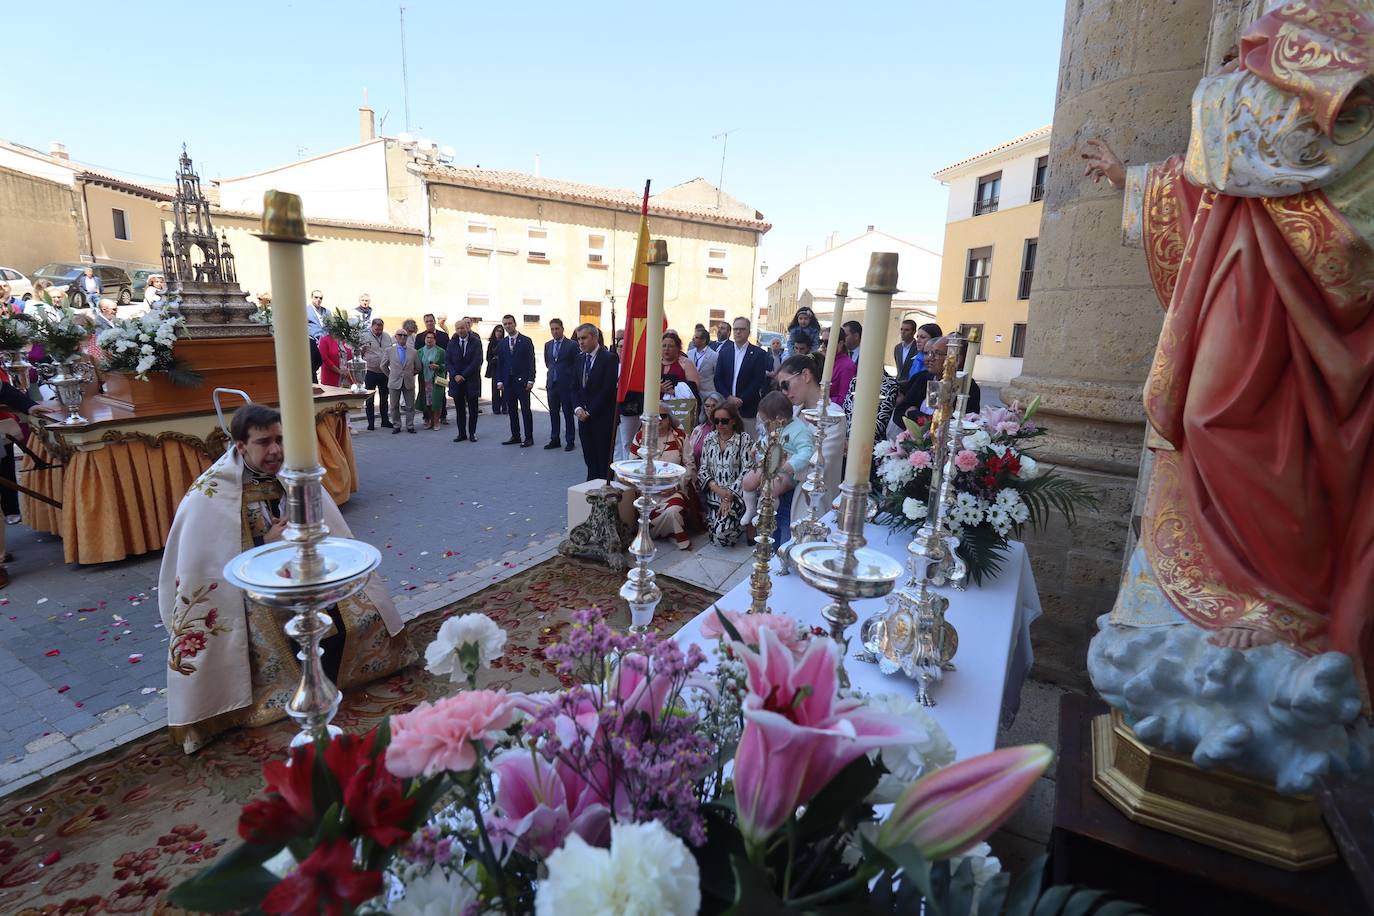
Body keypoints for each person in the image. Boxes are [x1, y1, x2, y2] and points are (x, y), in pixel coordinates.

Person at [1080, 2, 1374, 665]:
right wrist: (1135, 180)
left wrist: (1227, 93)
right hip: (1239, 252)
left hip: (1302, 263)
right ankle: (1252, 585)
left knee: (1252, 420)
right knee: (1210, 411)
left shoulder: (1337, 32)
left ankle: (1286, 598)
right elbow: (1208, 174)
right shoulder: (1267, 38)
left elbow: (1315, 127)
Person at [157, 404, 414, 754]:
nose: (276, 450)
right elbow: (211, 564)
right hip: (249, 596)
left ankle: (331, 679)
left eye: (280, 439)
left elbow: (326, 528)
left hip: (303, 578)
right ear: (240, 446)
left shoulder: (294, 473)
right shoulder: (210, 494)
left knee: (360, 613)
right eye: (264, 442)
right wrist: (264, 543)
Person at [775, 354, 847, 516]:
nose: (784, 393)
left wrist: (784, 463)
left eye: (785, 385)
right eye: (781, 388)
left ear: (806, 375)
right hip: (779, 498)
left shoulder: (834, 415)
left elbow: (818, 467)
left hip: (810, 505)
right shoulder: (792, 412)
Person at [740, 390, 812, 546]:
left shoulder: (800, 430)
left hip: (787, 472)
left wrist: (790, 465)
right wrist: (756, 447)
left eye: (766, 421)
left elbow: (807, 452)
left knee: (770, 488)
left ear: (779, 419)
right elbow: (765, 439)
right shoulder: (776, 427)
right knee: (747, 481)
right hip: (769, 464)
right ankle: (751, 509)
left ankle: (766, 515)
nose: (764, 424)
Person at [619, 404, 692, 551]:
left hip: (673, 489)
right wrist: (647, 486)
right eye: (655, 417)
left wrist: (675, 486)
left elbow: (690, 466)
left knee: (673, 511)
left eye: (663, 416)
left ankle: (665, 531)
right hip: (647, 491)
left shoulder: (680, 436)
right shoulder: (640, 437)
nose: (659, 420)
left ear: (669, 419)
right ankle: (667, 531)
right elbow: (632, 467)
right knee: (645, 514)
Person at [697, 397, 753, 547]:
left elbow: (747, 469)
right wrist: (718, 490)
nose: (720, 425)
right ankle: (736, 524)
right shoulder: (709, 438)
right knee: (716, 537)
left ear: (733, 420)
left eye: (724, 421)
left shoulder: (743, 439)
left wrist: (728, 495)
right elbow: (703, 469)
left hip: (735, 496)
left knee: (722, 535)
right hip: (714, 496)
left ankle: (741, 523)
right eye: (716, 421)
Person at [573, 322, 619, 482]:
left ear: (594, 337)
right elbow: (575, 388)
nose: (580, 342)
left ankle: (604, 494)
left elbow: (607, 390)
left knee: (603, 462)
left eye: (584, 338)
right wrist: (578, 409)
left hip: (601, 419)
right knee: (590, 460)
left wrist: (589, 412)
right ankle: (591, 490)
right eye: (578, 339)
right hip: (583, 420)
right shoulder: (579, 359)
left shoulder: (609, 359)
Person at [712, 316, 770, 427]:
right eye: (736, 329)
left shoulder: (758, 354)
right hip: (726, 408)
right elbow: (718, 379)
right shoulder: (724, 353)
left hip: (748, 409)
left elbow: (757, 380)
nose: (738, 332)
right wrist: (728, 397)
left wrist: (741, 399)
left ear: (749, 331)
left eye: (742, 329)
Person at [497, 314, 536, 446]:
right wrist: (499, 381)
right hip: (508, 382)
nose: (508, 326)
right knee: (512, 410)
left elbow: (531, 362)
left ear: (515, 323)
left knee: (525, 409)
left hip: (523, 382)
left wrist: (531, 380)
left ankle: (529, 437)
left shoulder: (526, 341)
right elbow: (500, 364)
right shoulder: (502, 343)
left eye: (510, 323)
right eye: (505, 324)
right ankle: (515, 436)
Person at [446, 318, 483, 442]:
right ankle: (461, 434)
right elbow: (448, 361)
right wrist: (455, 374)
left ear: (467, 328)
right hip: (456, 382)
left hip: (471, 381)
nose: (460, 330)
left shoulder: (476, 342)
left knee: (473, 409)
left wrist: (464, 375)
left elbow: (477, 361)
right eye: (458, 328)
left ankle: (472, 433)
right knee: (459, 410)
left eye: (462, 328)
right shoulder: (452, 343)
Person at [544, 317, 577, 451]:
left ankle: (570, 440)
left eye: (557, 328)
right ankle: (555, 439)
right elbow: (548, 363)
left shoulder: (572, 345)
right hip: (552, 385)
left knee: (568, 414)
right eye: (552, 329)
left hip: (567, 385)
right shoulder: (548, 345)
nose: (555, 331)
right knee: (553, 413)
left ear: (562, 329)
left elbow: (576, 364)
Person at [382, 327, 419, 434]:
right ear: (396, 337)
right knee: (394, 405)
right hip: (394, 382)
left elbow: (418, 367)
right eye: (400, 335)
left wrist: (411, 374)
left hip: (408, 381)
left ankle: (410, 425)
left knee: (410, 405)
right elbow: (383, 365)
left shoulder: (413, 351)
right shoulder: (389, 351)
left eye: (405, 335)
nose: (402, 337)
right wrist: (390, 375)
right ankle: (396, 425)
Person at [417, 313, 450, 426]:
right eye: (427, 321)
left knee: (441, 393)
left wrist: (442, 367)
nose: (429, 323)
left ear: (434, 321)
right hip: (425, 373)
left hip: (441, 372)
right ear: (424, 322)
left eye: (431, 321)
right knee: (425, 394)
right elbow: (417, 355)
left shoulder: (444, 336)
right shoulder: (419, 336)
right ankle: (427, 418)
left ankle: (443, 416)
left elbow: (448, 354)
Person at [360, 318, 392, 430]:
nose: (379, 331)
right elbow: (361, 353)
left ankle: (385, 420)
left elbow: (390, 351)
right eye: (377, 329)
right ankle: (371, 423)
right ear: (372, 327)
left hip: (384, 371)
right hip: (370, 371)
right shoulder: (365, 336)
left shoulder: (387, 336)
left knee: (384, 397)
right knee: (370, 398)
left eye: (381, 328)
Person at [659, 330, 701, 405]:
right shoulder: (654, 364)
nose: (666, 349)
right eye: (664, 346)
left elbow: (695, 386)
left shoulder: (686, 363)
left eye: (670, 346)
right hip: (657, 406)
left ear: (678, 348)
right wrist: (658, 388)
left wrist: (675, 390)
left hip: (680, 407)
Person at [317, 323, 355, 389]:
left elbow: (353, 356)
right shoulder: (324, 340)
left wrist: (349, 371)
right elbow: (324, 358)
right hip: (331, 377)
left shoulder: (346, 340)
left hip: (347, 377)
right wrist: (339, 371)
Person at [687, 326, 719, 400]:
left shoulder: (714, 355)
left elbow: (717, 375)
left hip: (707, 395)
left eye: (696, 337)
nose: (693, 339)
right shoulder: (689, 353)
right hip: (691, 394)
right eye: (694, 337)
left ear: (704, 340)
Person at [485, 324, 507, 414]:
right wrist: (493, 359)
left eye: (500, 331)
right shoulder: (492, 343)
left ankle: (505, 407)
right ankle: (496, 408)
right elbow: (488, 357)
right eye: (497, 331)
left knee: (505, 388)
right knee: (495, 389)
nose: (498, 333)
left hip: (504, 368)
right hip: (494, 368)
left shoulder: (505, 342)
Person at [307, 290, 326, 383]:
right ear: (311, 298)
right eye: (316, 297)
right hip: (313, 342)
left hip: (325, 342)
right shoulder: (306, 311)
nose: (318, 299)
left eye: (320, 298)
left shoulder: (326, 311)